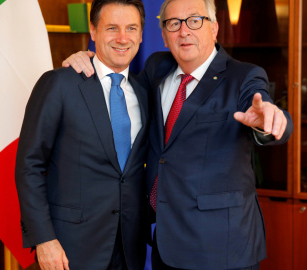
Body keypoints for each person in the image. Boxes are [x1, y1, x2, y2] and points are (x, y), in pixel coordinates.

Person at [63, 0, 293, 269]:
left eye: (195, 20)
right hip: (166, 243)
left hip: (223, 247)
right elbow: (119, 87)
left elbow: (269, 113)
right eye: (173, 23)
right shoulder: (156, 68)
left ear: (214, 28)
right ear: (163, 34)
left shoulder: (244, 76)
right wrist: (87, 57)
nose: (184, 31)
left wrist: (270, 121)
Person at [15, 1, 149, 269]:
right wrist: (44, 239)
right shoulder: (59, 84)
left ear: (141, 34)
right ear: (93, 31)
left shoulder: (146, 91)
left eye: (131, 28)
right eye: (112, 28)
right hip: (68, 249)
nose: (123, 38)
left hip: (129, 249)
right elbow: (29, 166)